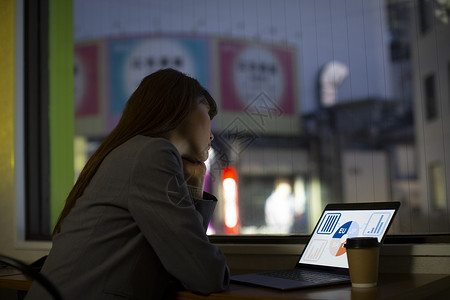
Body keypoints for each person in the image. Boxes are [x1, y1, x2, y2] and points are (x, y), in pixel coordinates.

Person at [25, 68, 230, 300]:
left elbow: (184, 264)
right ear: (182, 109)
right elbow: (206, 273)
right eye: (206, 112)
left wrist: (193, 183)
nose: (212, 135)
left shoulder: (131, 152)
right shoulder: (152, 153)